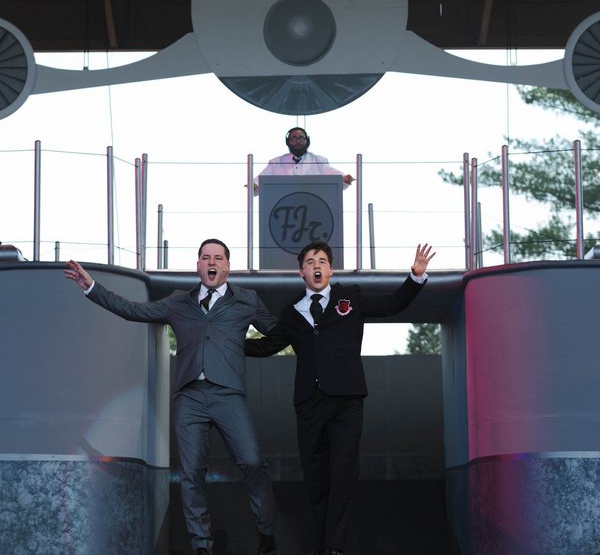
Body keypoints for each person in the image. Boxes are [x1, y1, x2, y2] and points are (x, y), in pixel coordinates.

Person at [64, 239, 278, 555]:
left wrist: (243, 349)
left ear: (227, 266)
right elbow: (133, 310)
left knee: (253, 461)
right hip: (189, 396)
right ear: (198, 265)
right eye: (205, 257)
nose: (212, 262)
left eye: (218, 257)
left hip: (228, 394)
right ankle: (201, 545)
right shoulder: (179, 302)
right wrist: (92, 288)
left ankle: (266, 531)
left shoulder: (247, 300)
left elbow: (278, 333)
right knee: (191, 472)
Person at [245, 240, 434, 555]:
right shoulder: (291, 312)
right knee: (316, 481)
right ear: (302, 272)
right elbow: (266, 346)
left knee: (343, 475)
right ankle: (323, 545)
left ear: (330, 270)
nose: (316, 266)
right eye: (310, 262)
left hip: (346, 402)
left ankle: (335, 548)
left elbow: (391, 305)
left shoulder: (350, 299)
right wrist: (226, 342)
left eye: (322, 261)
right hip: (309, 405)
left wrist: (415, 276)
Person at [253, 128, 354, 193]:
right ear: (288, 142)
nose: (298, 141)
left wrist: (343, 178)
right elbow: (261, 178)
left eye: (301, 138)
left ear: (307, 141)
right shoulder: (276, 162)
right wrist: (254, 185)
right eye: (294, 138)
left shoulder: (319, 160)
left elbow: (331, 173)